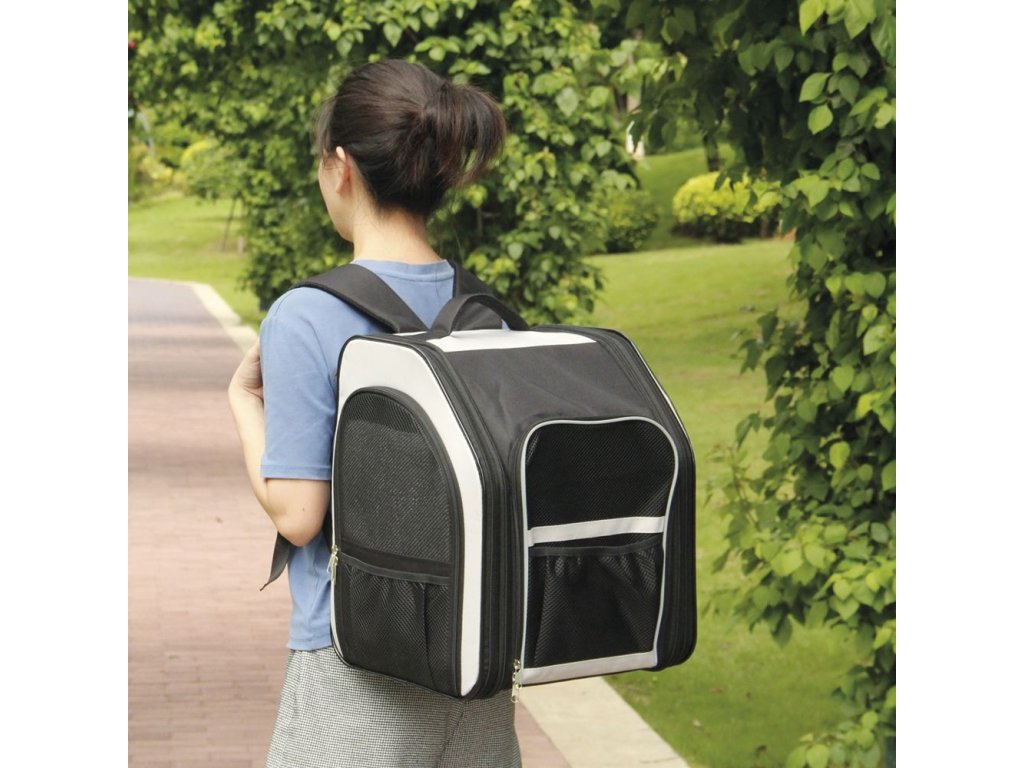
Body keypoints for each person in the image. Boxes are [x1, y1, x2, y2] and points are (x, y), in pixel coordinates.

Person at [227, 59, 520, 768]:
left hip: (354, 664)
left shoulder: (307, 316)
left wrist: (241, 405)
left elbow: (299, 516)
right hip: (474, 663)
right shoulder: (488, 315)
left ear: (342, 167)